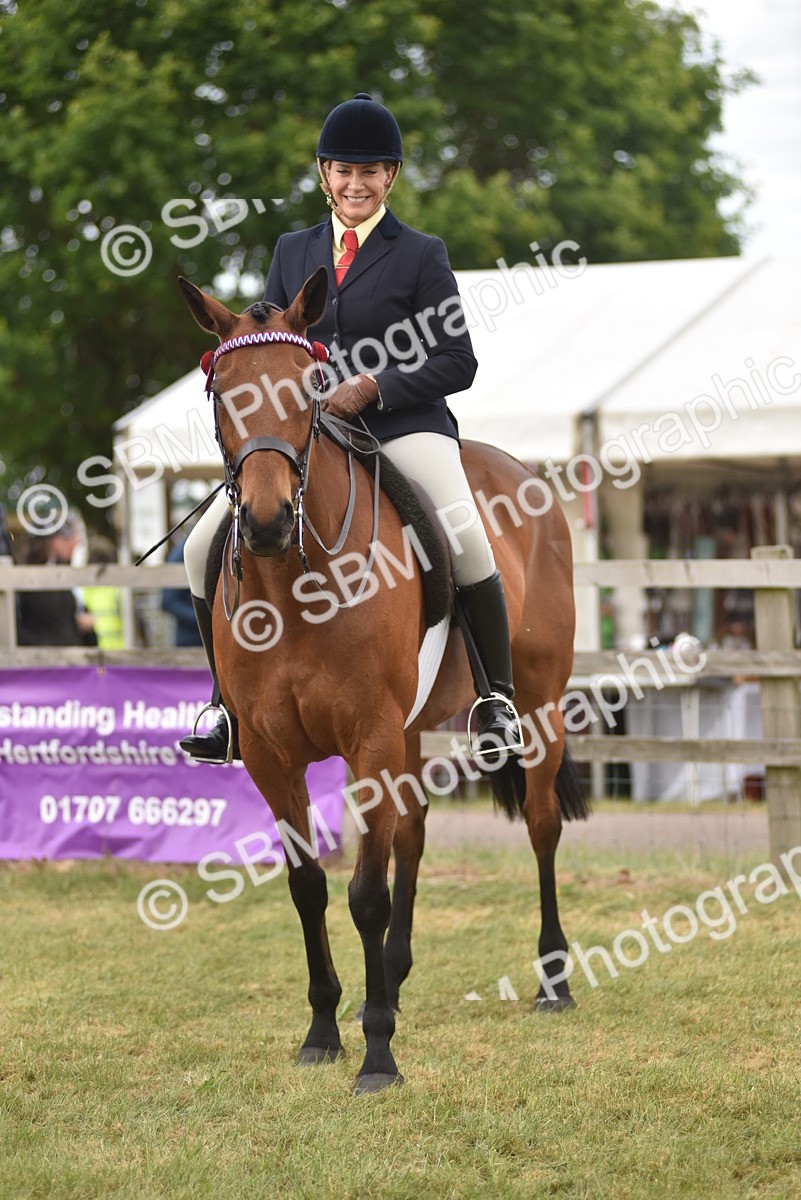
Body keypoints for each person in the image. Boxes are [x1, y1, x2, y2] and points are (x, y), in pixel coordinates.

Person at [179, 93, 523, 764]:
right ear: (323, 174)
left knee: (465, 534)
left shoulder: (421, 253)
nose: (356, 184)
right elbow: (276, 340)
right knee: (199, 549)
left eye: (371, 172)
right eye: (344, 170)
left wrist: (374, 387)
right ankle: (226, 708)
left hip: (404, 425)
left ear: (389, 178)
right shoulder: (291, 249)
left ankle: (496, 700)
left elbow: (458, 360)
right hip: (310, 430)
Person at [17, 514, 97, 647]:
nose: (76, 543)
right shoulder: (25, 579)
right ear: (54, 540)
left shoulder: (67, 577)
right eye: (68, 538)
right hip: (43, 660)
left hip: (72, 659)